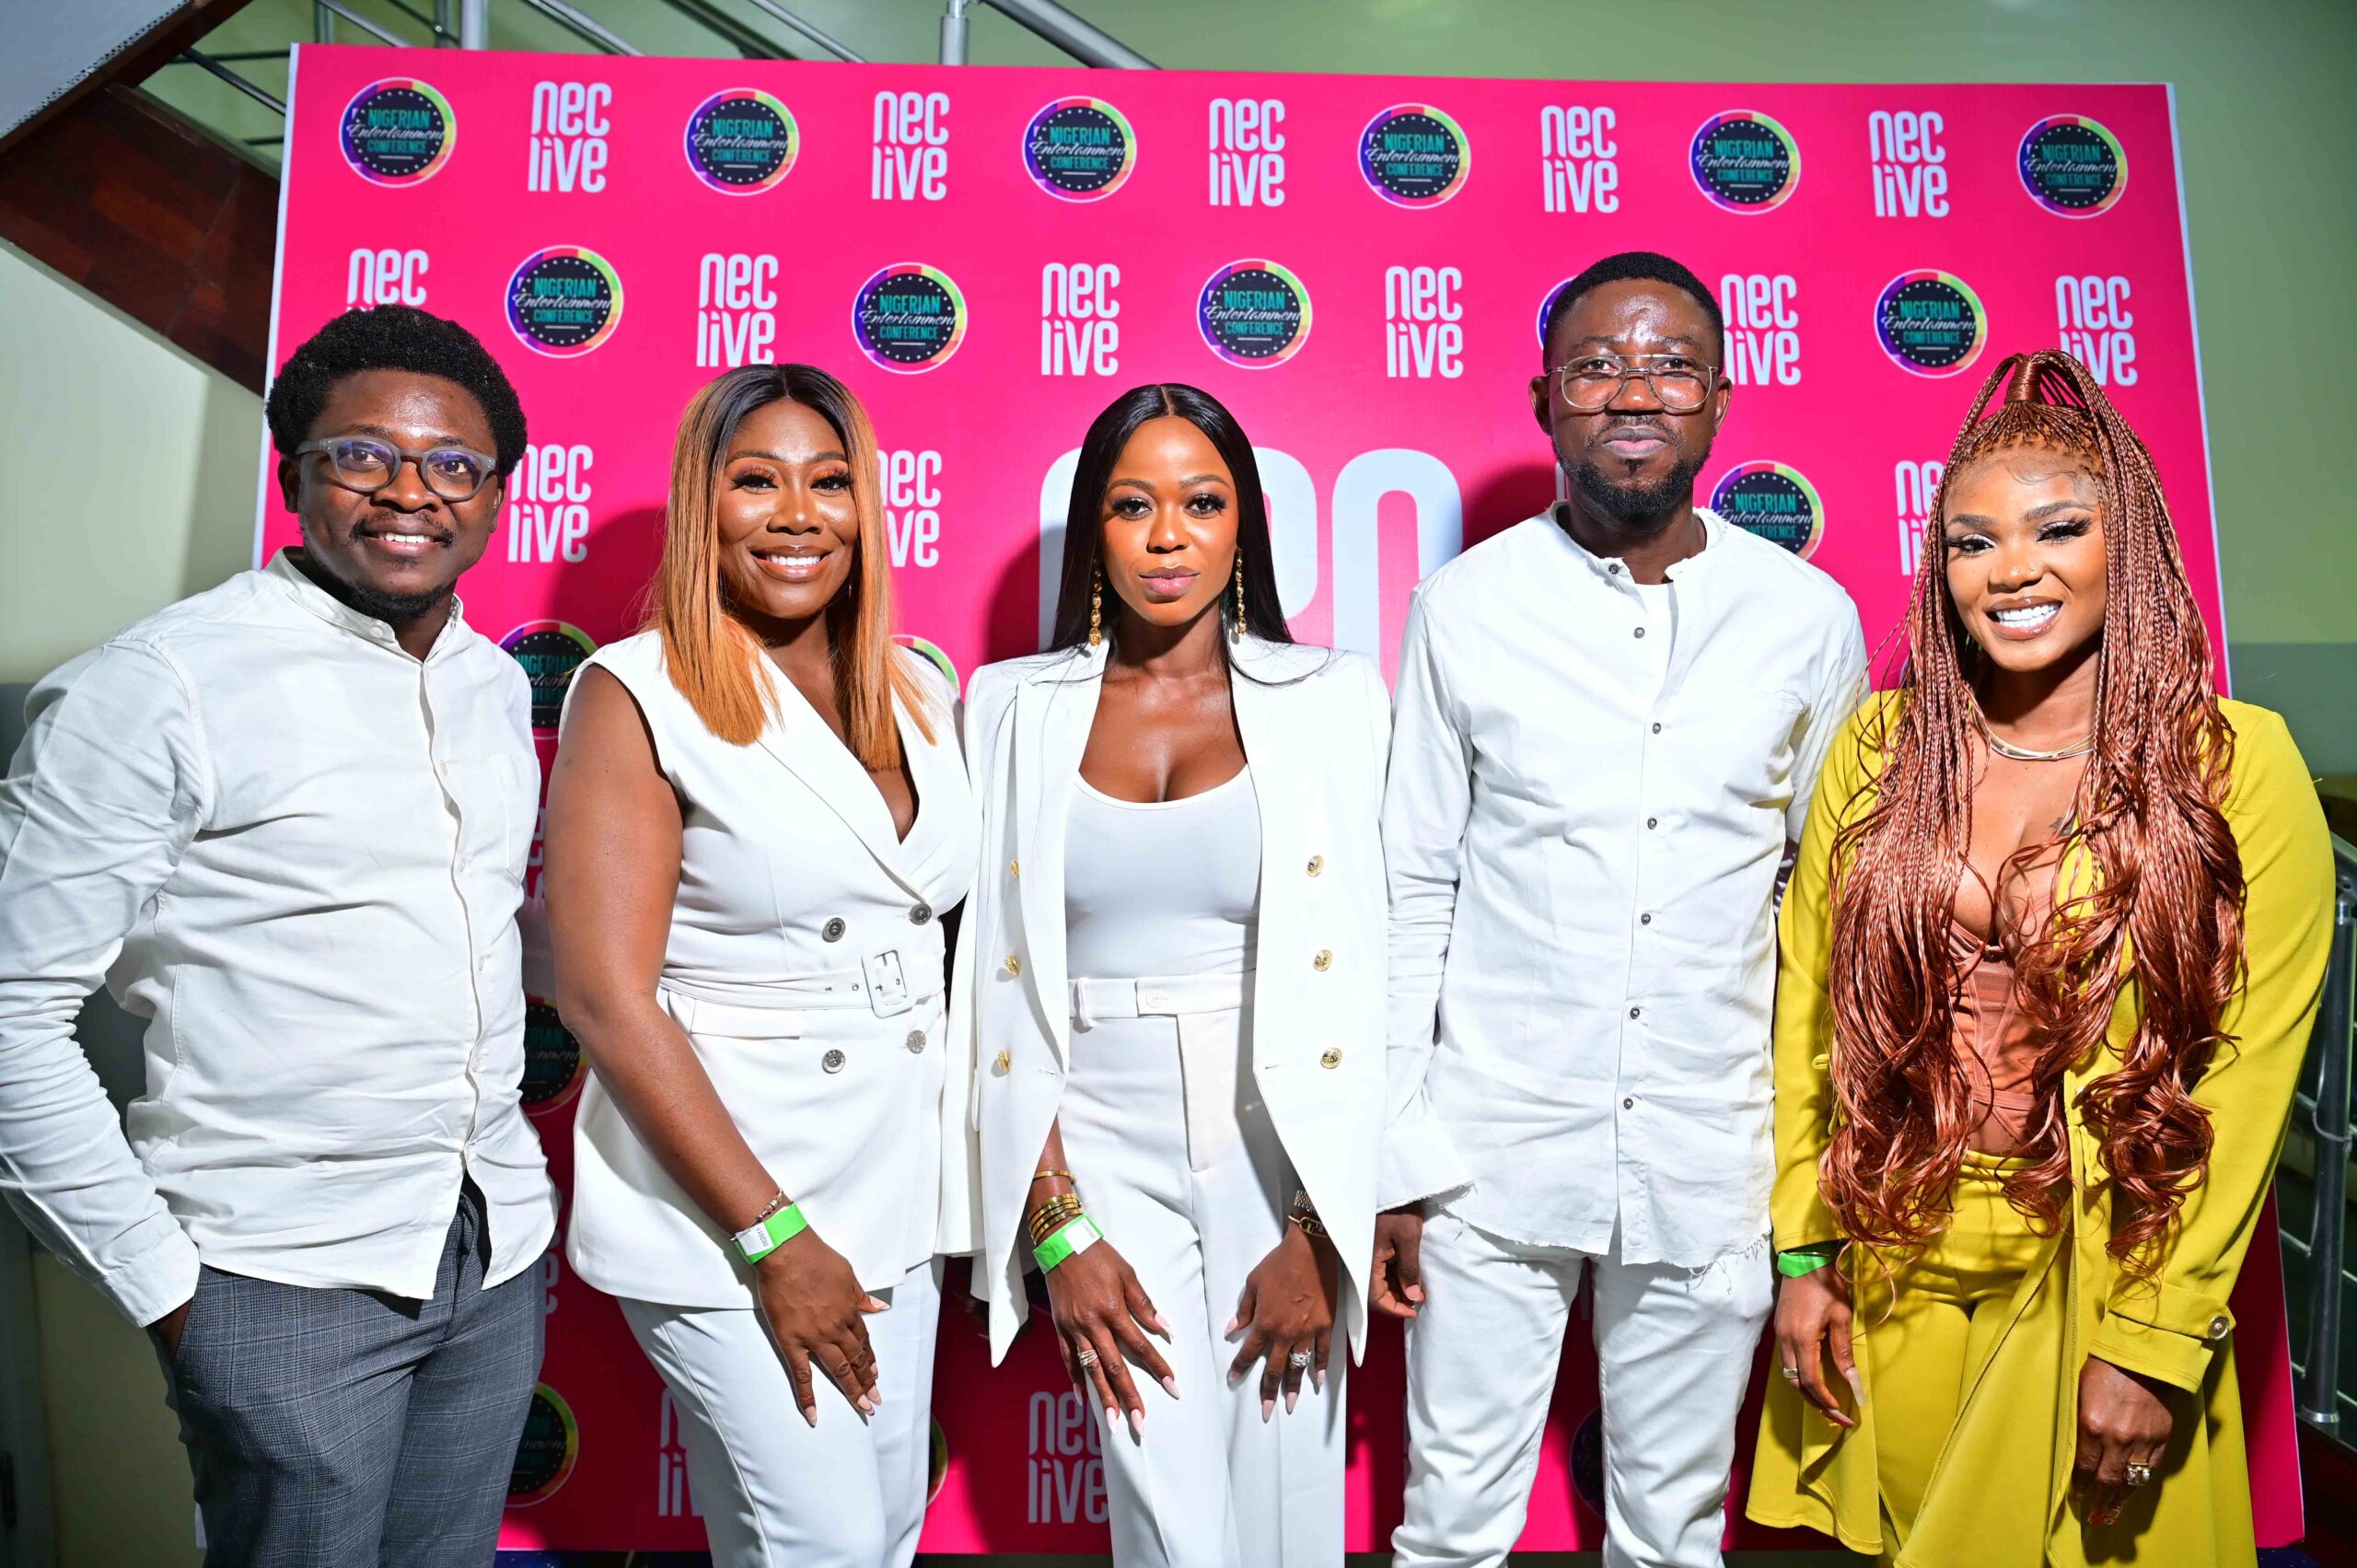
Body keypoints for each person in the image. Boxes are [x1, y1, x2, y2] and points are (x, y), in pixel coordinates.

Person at [1747, 350, 2334, 1566]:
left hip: (2096, 1265)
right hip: (1896, 1253)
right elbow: (1809, 1017)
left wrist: (2153, 1339)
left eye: (2057, 528)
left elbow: (2245, 1081)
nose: (2011, 567)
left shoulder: (2233, 766)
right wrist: (1804, 1249)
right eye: (1973, 542)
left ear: (2131, 547)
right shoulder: (1881, 747)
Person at [0, 304, 554, 1565]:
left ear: (494, 494)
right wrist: (172, 1297)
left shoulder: (485, 681)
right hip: (277, 1283)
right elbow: (10, 1011)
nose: (409, 491)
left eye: (452, 463)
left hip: (492, 1252)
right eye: (362, 454)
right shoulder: (160, 686)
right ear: (294, 472)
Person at [1375, 250, 1868, 1568]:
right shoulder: (1463, 607)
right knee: (1450, 1527)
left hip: (1711, 1151)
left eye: (1669, 367)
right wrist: (1397, 1152)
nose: (1634, 392)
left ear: (1720, 398)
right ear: (1544, 399)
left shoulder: (1806, 619)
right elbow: (1414, 884)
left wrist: (1812, 1182)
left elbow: (1829, 910)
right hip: (1490, 1152)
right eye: (1596, 367)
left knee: (1672, 1532)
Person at [542, 364, 972, 1568]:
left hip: (896, 1181)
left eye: (829, 482)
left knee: (880, 1534)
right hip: (733, 1197)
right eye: (755, 481)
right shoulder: (635, 690)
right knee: (822, 1543)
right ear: (703, 502)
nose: (797, 514)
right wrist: (774, 1236)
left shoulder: (917, 685)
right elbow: (604, 999)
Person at [958, 383, 1389, 1566]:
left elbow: (1370, 967)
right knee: (1169, 1524)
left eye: (1201, 503)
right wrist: (1055, 1222)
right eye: (1130, 505)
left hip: (1276, 1140)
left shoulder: (1332, 697)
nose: (1165, 537)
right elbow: (987, 986)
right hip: (1094, 1130)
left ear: (1243, 521)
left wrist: (1319, 1228)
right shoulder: (1008, 706)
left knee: (1287, 1519)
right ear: (1092, 528)